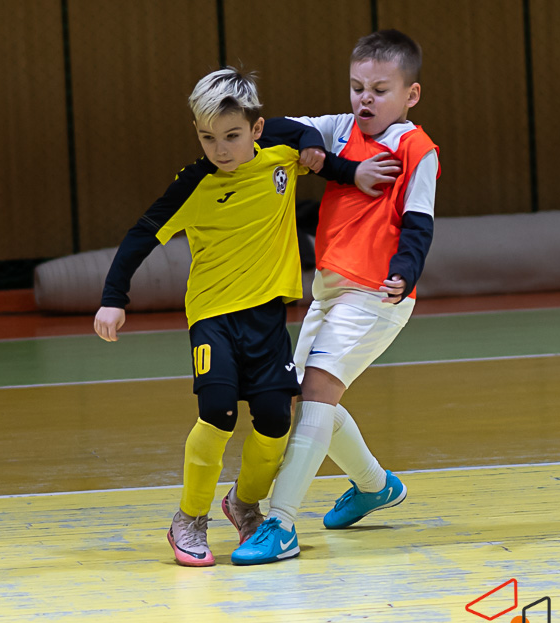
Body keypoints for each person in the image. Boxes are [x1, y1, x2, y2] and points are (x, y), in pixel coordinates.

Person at [93, 67, 361, 567]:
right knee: (217, 413)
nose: (220, 149)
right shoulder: (194, 183)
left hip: (267, 318)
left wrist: (325, 154)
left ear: (255, 130)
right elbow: (141, 234)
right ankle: (189, 518)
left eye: (232, 136)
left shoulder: (280, 154)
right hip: (213, 317)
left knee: (276, 420)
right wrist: (114, 297)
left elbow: (298, 133)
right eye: (208, 137)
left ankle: (244, 504)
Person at [231, 29, 441, 565]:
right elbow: (272, 127)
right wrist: (328, 157)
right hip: (328, 288)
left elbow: (419, 224)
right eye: (356, 87)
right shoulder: (339, 129)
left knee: (318, 390)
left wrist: (404, 271)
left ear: (411, 95)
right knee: (303, 396)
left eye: (379, 90)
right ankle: (375, 486)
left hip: (376, 295)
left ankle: (281, 523)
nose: (365, 99)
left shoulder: (416, 149)